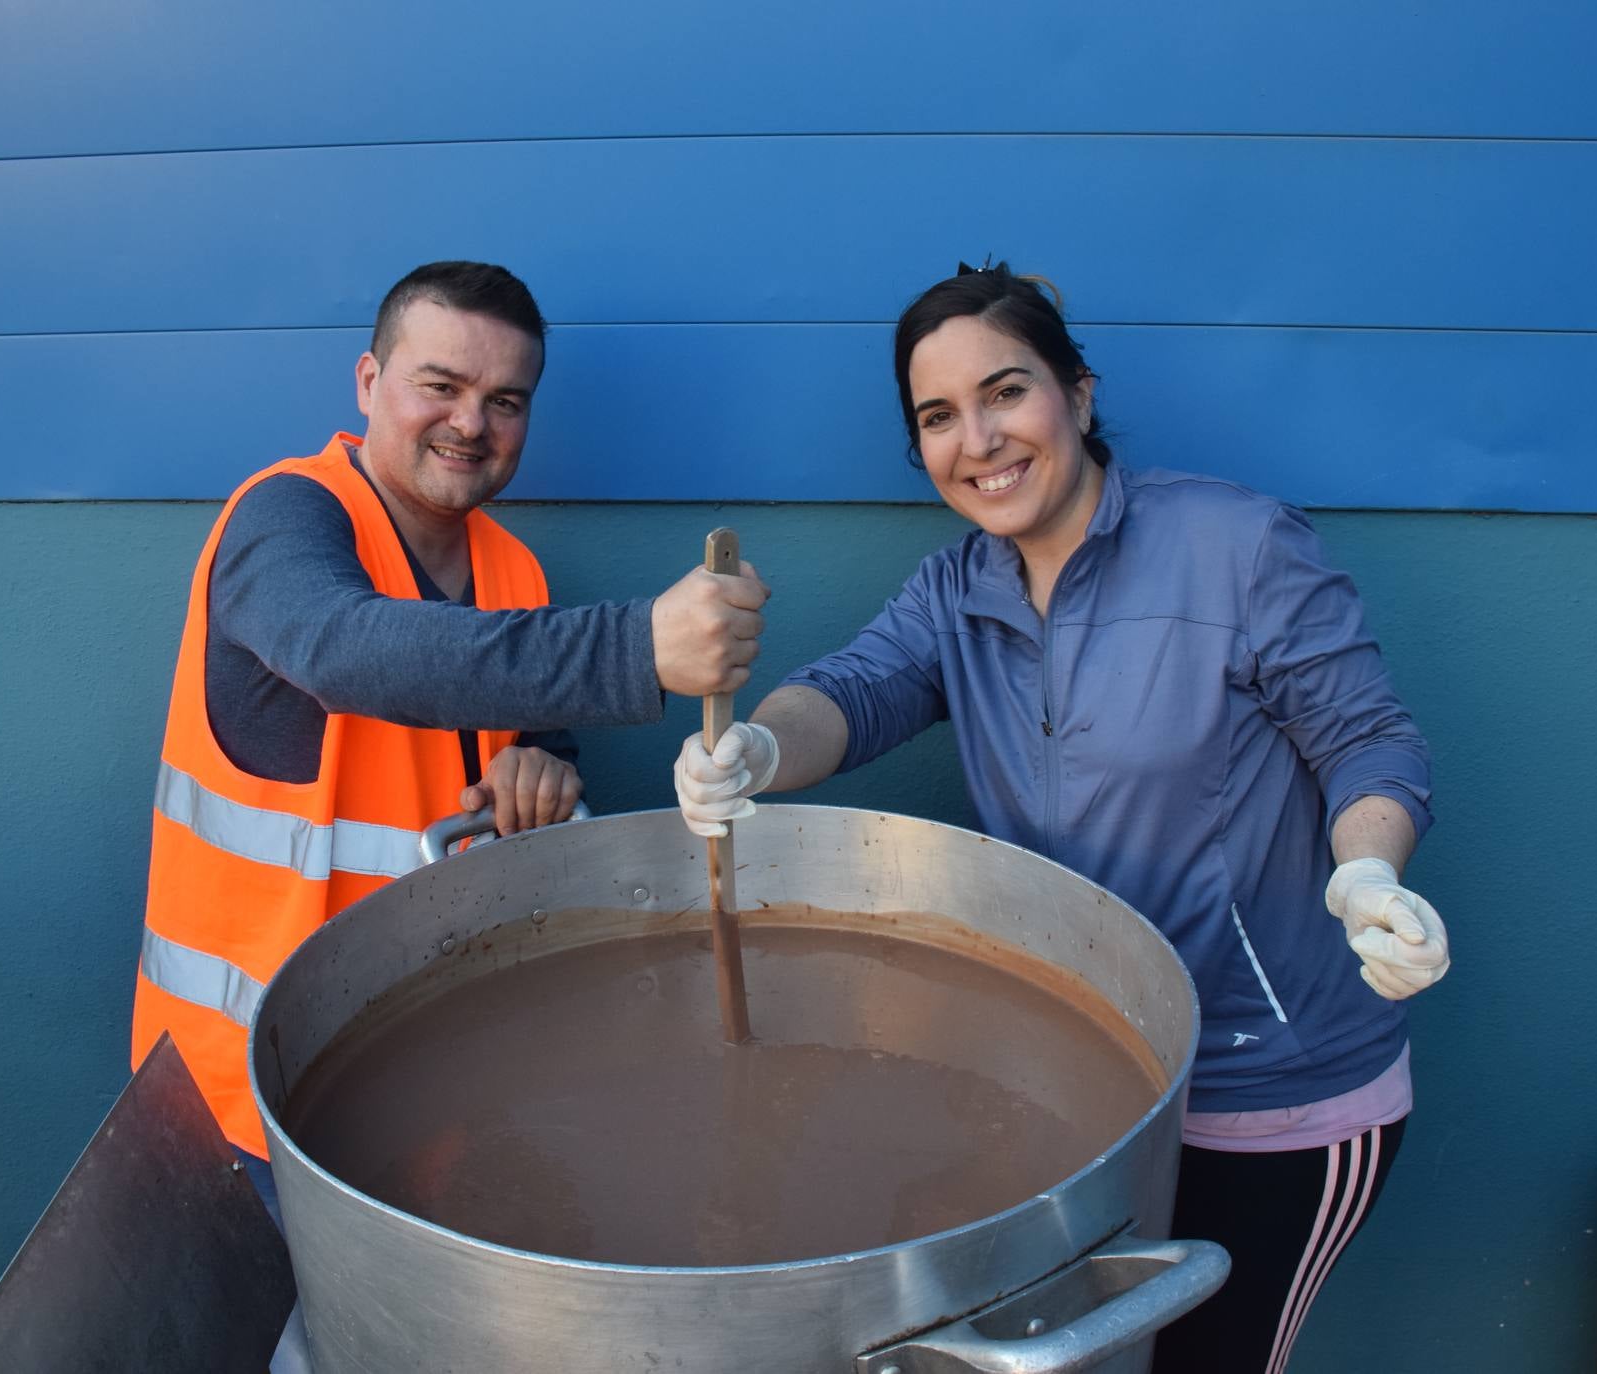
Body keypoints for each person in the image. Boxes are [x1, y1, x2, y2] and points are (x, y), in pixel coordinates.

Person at [673, 261, 1449, 1374]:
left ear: (1078, 395)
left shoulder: (1237, 546)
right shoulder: (956, 592)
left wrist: (1368, 874)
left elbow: (1370, 741)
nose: (978, 439)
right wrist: (752, 751)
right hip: (1087, 1092)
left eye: (1006, 392)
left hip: (1272, 1097)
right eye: (938, 417)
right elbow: (849, 694)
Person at [132, 260, 766, 1370]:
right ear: (369, 379)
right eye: (441, 385)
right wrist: (635, 651)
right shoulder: (283, 518)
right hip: (249, 1101)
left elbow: (529, 734)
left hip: (431, 1081)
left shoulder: (511, 569)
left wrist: (543, 769)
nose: (472, 424)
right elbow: (342, 648)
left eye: (506, 400)